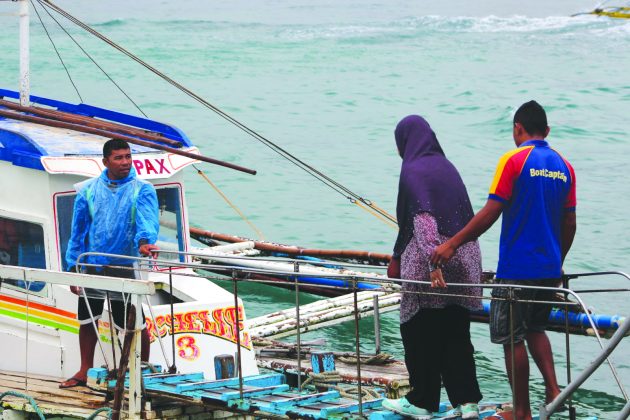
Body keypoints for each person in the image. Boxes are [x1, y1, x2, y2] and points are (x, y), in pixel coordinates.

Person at [431, 101, 577, 420]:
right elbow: (569, 223)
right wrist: (557, 262)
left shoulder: (513, 160)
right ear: (547, 131)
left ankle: (522, 412)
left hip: (515, 270)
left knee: (511, 337)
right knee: (536, 327)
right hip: (549, 269)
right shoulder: (565, 166)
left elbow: (491, 211)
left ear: (517, 128)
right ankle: (554, 391)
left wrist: (452, 244)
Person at [383, 115, 483, 420]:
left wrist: (432, 263)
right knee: (456, 330)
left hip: (432, 261)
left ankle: (422, 402)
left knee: (417, 328)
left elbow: (423, 219)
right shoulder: (447, 167)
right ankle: (467, 404)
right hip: (465, 259)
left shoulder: (413, 171)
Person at [60, 139, 159, 389]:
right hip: (92, 265)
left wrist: (145, 242)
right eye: (118, 158)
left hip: (123, 266)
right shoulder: (88, 190)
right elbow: (78, 231)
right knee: (88, 319)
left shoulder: (142, 189)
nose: (125, 162)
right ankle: (84, 370)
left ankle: (140, 371)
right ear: (105, 161)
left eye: (128, 156)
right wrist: (73, 268)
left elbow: (146, 222)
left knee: (134, 323)